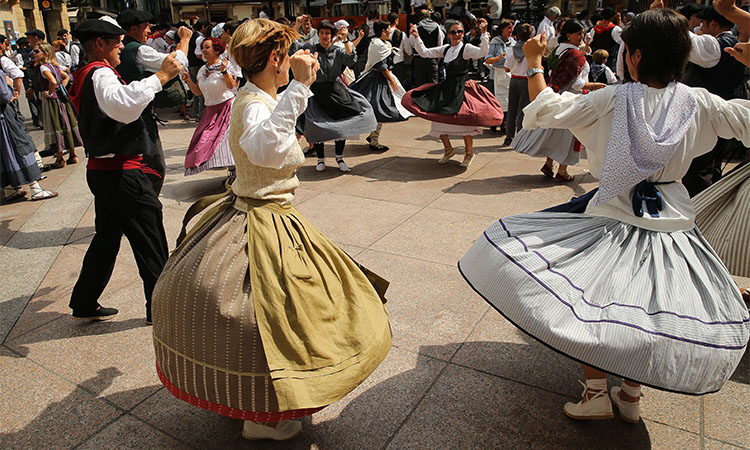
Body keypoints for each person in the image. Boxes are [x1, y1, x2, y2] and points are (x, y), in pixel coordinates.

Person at [459, 9, 749, 424]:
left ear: (633, 56)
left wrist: (537, 62)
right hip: (672, 219)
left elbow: (546, 111)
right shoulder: (699, 102)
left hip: (614, 212)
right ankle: (630, 393)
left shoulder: (614, 98)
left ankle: (596, 392)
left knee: (596, 302)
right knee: (650, 307)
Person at [151, 18, 392, 441]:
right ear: (276, 59)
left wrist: (295, 90)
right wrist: (299, 87)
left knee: (271, 313)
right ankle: (262, 415)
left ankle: (257, 404)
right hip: (261, 217)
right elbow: (267, 150)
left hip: (260, 209)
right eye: (287, 54)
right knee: (270, 314)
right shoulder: (256, 102)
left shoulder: (256, 96)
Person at [67, 18, 183, 322]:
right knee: (150, 238)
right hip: (120, 173)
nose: (122, 46)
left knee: (107, 236)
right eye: (116, 41)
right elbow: (124, 104)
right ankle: (161, 309)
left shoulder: (88, 73)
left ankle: (84, 300)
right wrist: (160, 76)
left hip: (105, 171)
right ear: (98, 45)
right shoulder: (100, 73)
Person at [511, 20, 605, 182]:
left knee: (553, 130)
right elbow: (576, 82)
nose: (582, 37)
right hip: (572, 99)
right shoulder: (576, 55)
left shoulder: (558, 51)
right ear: (568, 35)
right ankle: (562, 171)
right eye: (578, 34)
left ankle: (549, 163)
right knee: (569, 136)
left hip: (555, 94)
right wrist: (595, 86)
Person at [403, 18, 502, 168]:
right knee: (439, 119)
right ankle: (448, 149)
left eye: (460, 31)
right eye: (453, 32)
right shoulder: (446, 49)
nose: (457, 34)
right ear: (448, 34)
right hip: (447, 88)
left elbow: (482, 52)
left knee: (465, 123)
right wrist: (416, 37)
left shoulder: (467, 48)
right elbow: (424, 53)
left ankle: (469, 153)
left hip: (462, 88)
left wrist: (483, 34)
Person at [116, 9, 192, 193]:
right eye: (146, 26)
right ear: (134, 28)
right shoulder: (139, 50)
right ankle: (146, 206)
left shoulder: (124, 49)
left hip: (124, 116)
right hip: (139, 118)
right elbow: (177, 64)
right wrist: (185, 40)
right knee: (154, 167)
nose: (149, 31)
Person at [681, 5, 747, 197]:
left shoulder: (714, 45)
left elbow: (691, 44)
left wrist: (665, 18)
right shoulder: (734, 44)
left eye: (702, 24)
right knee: (711, 167)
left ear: (713, 24)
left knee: (699, 170)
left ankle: (701, 211)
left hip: (711, 116)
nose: (700, 29)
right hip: (725, 114)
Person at [300, 20, 376, 172]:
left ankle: (339, 158)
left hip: (335, 90)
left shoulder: (338, 50)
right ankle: (320, 159)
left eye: (327, 33)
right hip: (316, 91)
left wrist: (346, 39)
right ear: (318, 34)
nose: (324, 36)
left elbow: (351, 60)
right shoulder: (310, 49)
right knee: (318, 124)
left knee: (343, 123)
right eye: (321, 33)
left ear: (332, 35)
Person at [1, 38, 57, 202]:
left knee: (5, 153)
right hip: (5, 117)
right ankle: (35, 188)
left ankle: (9, 190)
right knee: (21, 147)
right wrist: (9, 85)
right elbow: (5, 94)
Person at [350, 20, 413, 151]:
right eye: (389, 29)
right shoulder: (378, 44)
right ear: (383, 31)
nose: (390, 31)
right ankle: (374, 139)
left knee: (379, 110)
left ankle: (373, 136)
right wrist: (392, 81)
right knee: (380, 109)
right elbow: (381, 66)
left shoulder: (382, 43)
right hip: (376, 81)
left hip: (380, 79)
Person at [181, 37, 237, 177]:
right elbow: (198, 92)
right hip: (210, 111)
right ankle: (233, 172)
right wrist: (188, 80)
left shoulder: (226, 65)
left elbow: (231, 86)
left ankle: (235, 172)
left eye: (207, 47)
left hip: (227, 108)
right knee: (203, 141)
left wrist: (224, 72)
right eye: (203, 47)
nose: (204, 50)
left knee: (225, 142)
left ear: (216, 50)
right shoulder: (202, 70)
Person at [34, 42, 83, 169]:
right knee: (66, 123)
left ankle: (60, 158)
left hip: (52, 101)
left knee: (55, 125)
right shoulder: (54, 66)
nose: (34, 54)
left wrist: (50, 92)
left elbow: (53, 81)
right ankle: (73, 154)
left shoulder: (44, 67)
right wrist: (61, 88)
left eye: (36, 52)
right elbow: (66, 77)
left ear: (45, 53)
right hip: (61, 99)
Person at [502, 23, 533, 146]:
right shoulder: (531, 51)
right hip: (526, 80)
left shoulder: (510, 50)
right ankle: (520, 137)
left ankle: (509, 137)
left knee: (512, 109)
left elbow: (507, 68)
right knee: (522, 109)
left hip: (514, 80)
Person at [485, 20, 514, 130]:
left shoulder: (512, 42)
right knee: (495, 102)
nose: (511, 30)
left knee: (507, 101)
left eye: (512, 28)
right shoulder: (495, 43)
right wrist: (499, 58)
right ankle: (494, 124)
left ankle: (505, 124)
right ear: (502, 29)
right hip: (496, 77)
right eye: (509, 28)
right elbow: (488, 60)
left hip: (508, 77)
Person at [412, 8, 444, 87]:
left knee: (421, 85)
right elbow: (440, 44)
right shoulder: (437, 27)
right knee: (433, 84)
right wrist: (437, 61)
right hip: (432, 58)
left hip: (418, 58)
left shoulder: (416, 27)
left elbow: (412, 43)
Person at [588, 7, 622, 71]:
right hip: (608, 60)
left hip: (595, 58)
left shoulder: (594, 28)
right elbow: (621, 41)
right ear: (613, 17)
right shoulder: (615, 29)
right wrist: (619, 21)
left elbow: (589, 40)